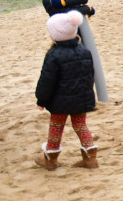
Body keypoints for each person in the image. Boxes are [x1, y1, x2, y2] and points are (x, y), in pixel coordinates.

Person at [34, 10, 98, 170]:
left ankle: (50, 159)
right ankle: (91, 158)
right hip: (81, 98)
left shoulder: (54, 55)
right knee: (81, 125)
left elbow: (47, 80)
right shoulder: (85, 51)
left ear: (54, 35)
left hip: (60, 102)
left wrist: (41, 99)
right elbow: (90, 75)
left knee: (56, 127)